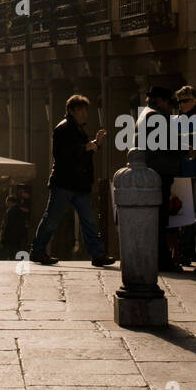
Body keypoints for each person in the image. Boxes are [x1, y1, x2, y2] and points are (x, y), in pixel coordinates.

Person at [29, 94, 115, 267]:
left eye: (86, 111)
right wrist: (85, 147)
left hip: (78, 184)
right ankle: (37, 251)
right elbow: (61, 154)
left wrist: (95, 144)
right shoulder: (63, 128)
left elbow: (82, 153)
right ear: (71, 111)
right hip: (64, 183)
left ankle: (98, 254)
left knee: (88, 219)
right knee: (52, 218)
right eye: (81, 111)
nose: (85, 114)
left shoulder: (77, 129)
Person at [137, 85, 182, 273]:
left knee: (156, 217)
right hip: (159, 172)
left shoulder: (145, 113)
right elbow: (165, 144)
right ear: (162, 101)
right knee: (160, 218)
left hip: (152, 170)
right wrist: (184, 147)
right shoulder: (156, 116)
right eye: (168, 102)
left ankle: (156, 258)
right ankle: (162, 260)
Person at [174, 84, 196, 268]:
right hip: (182, 172)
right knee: (183, 214)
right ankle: (185, 251)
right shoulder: (178, 119)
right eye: (179, 101)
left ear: (194, 100)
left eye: (185, 100)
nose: (181, 104)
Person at [0, 194, 28, 260]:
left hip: (9, 240)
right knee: (14, 257)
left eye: (7, 202)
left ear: (10, 202)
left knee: (3, 257)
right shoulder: (21, 212)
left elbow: (7, 226)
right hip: (17, 240)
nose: (6, 204)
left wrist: (3, 239)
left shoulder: (10, 211)